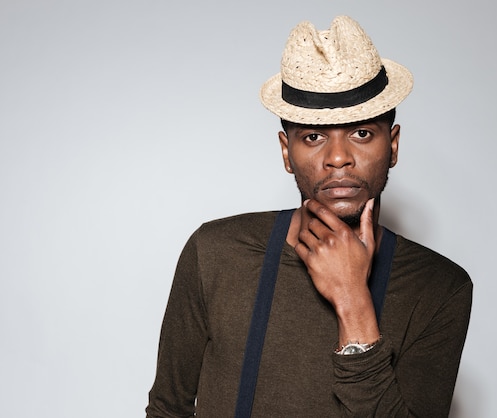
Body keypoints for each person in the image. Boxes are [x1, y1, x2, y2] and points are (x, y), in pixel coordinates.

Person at [146, 15, 472, 417]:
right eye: (314, 136)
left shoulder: (439, 288)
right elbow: (167, 409)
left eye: (362, 133)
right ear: (287, 152)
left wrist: (353, 300)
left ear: (393, 145)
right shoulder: (216, 253)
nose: (338, 158)